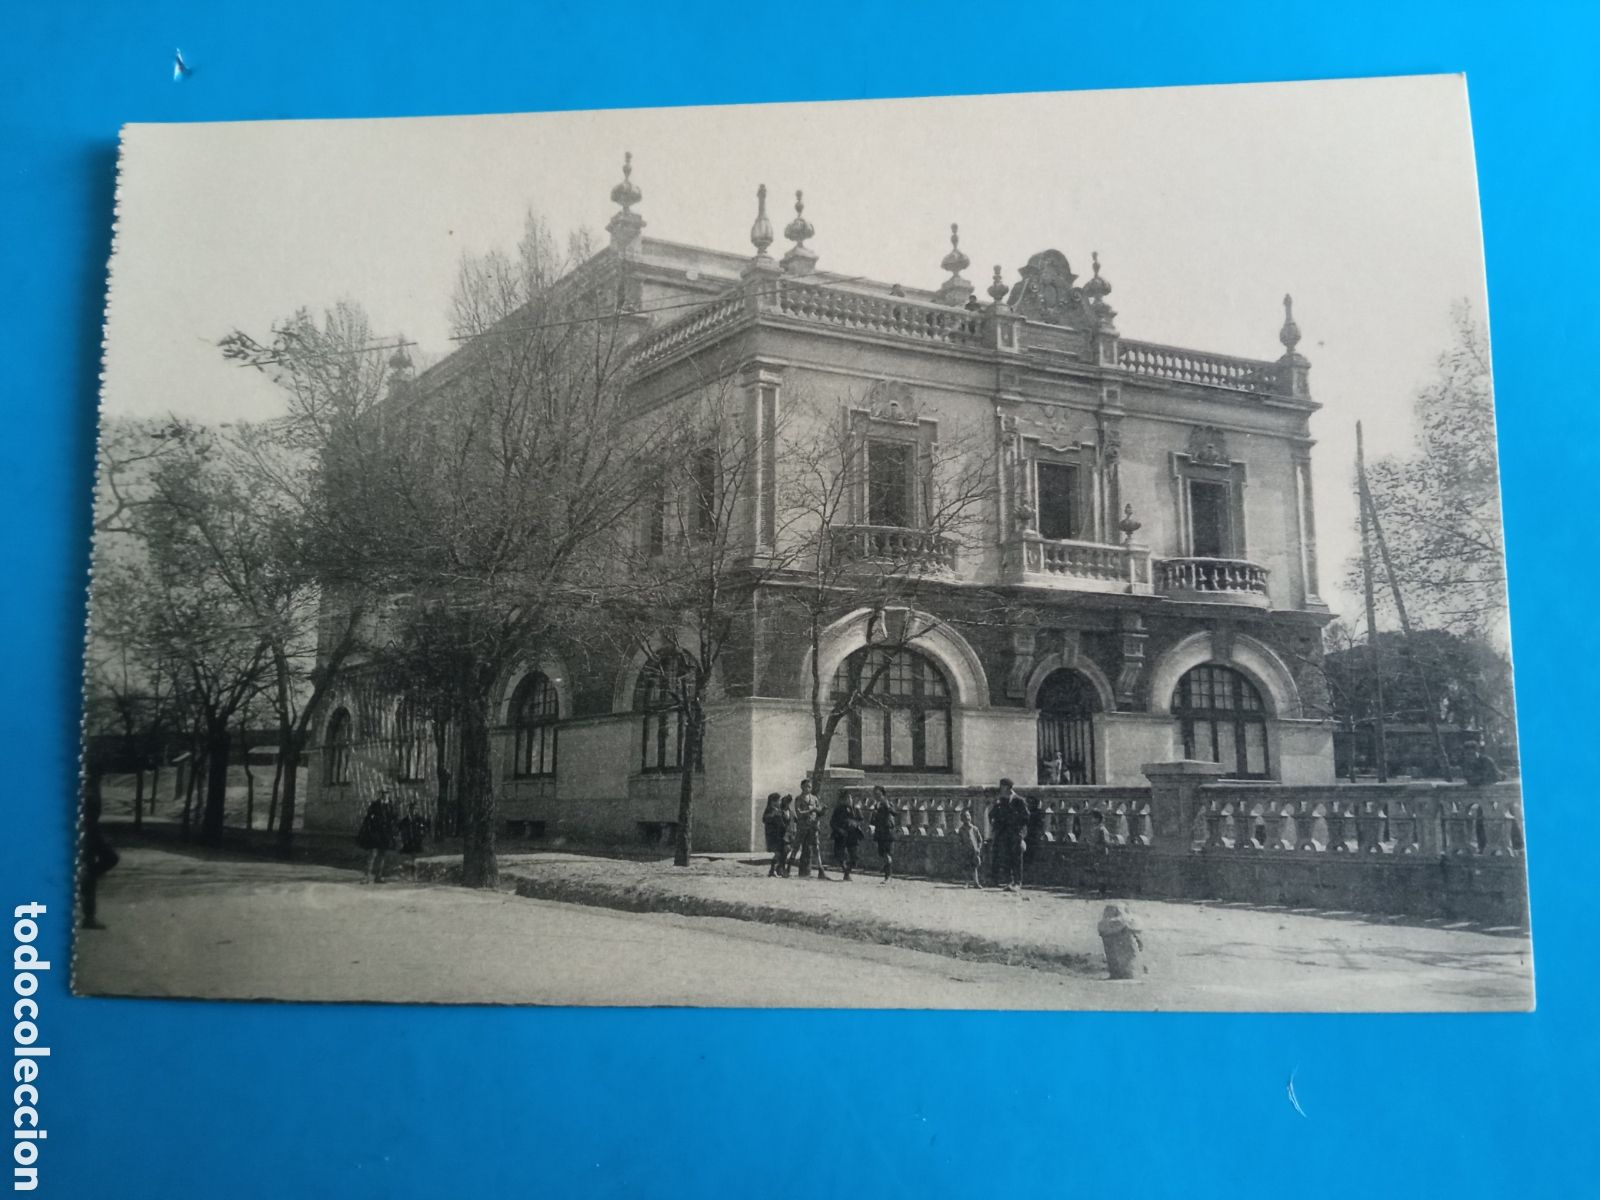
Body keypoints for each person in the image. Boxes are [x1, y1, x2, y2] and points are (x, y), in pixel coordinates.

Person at [80, 779, 120, 930]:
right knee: (90, 872)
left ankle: (88, 916)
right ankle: (88, 917)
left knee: (103, 863)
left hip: (89, 831)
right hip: (86, 831)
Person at [991, 778, 1031, 892]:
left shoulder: (1019, 800)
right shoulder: (1001, 800)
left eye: (1002, 786)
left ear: (1008, 787)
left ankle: (1018, 882)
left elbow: (1026, 817)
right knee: (1006, 857)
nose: (1000, 789)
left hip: (1016, 834)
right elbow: (993, 814)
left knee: (1017, 859)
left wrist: (1018, 828)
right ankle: (1009, 882)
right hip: (1004, 834)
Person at [356, 790, 399, 883]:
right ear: (380, 794)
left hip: (385, 833)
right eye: (383, 793)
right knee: (372, 854)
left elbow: (395, 818)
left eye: (387, 793)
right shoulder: (375, 805)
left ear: (389, 794)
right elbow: (369, 818)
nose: (385, 795)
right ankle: (366, 876)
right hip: (376, 833)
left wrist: (392, 830)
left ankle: (378, 876)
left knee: (382, 855)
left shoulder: (391, 806)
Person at [794, 779, 830, 879]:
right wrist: (811, 810)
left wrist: (823, 810)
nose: (808, 789)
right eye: (806, 786)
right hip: (803, 827)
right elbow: (799, 813)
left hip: (813, 827)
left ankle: (821, 869)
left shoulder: (814, 799)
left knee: (816, 848)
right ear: (801, 787)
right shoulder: (798, 799)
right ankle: (788, 867)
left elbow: (818, 811)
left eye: (809, 787)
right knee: (796, 847)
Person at [1097, 904, 1144, 980]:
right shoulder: (1130, 923)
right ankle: (1126, 973)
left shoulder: (1107, 926)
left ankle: (1125, 973)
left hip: (1130, 970)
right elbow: (1140, 945)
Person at [830, 793, 864, 881]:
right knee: (840, 855)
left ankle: (847, 872)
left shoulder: (856, 809)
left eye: (850, 798)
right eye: (846, 799)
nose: (849, 800)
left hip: (853, 835)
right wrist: (839, 830)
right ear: (842, 800)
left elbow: (861, 820)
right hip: (841, 835)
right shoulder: (838, 810)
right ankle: (845, 871)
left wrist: (855, 823)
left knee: (855, 857)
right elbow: (832, 823)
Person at [396, 796, 430, 880]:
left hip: (416, 841)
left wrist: (423, 834)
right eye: (412, 809)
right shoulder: (405, 820)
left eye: (415, 809)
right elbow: (398, 828)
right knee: (407, 857)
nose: (414, 811)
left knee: (414, 857)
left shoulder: (419, 819)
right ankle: (406, 874)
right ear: (409, 810)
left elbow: (426, 827)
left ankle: (414, 874)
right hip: (407, 841)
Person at [870, 785, 899, 883]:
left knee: (887, 854)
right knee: (882, 854)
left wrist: (887, 808)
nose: (876, 796)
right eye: (874, 794)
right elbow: (873, 820)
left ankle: (888, 876)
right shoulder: (876, 804)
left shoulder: (886, 802)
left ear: (882, 793)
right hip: (880, 832)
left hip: (888, 831)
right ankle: (887, 871)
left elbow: (894, 813)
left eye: (877, 794)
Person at [1086, 809, 1113, 897]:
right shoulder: (1096, 829)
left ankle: (1102, 891)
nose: (1092, 820)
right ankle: (1100, 890)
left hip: (1101, 853)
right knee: (1099, 871)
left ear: (1098, 819)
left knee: (1102, 872)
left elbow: (1106, 842)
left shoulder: (1102, 829)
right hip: (1097, 852)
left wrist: (1097, 847)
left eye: (1093, 818)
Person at [957, 809, 984, 888]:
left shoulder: (975, 829)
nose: (967, 818)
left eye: (968, 816)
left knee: (974, 867)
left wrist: (978, 848)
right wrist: (961, 848)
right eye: (964, 817)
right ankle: (966, 883)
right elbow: (960, 841)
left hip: (974, 851)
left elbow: (980, 840)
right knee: (966, 866)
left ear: (970, 817)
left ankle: (976, 883)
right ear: (962, 819)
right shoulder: (961, 830)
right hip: (966, 851)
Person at [762, 793, 788, 877]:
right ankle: (772, 870)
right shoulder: (770, 810)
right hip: (773, 835)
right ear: (773, 801)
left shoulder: (779, 809)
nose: (780, 802)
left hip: (779, 834)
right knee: (778, 853)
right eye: (779, 800)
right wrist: (773, 815)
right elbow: (765, 819)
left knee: (781, 852)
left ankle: (775, 870)